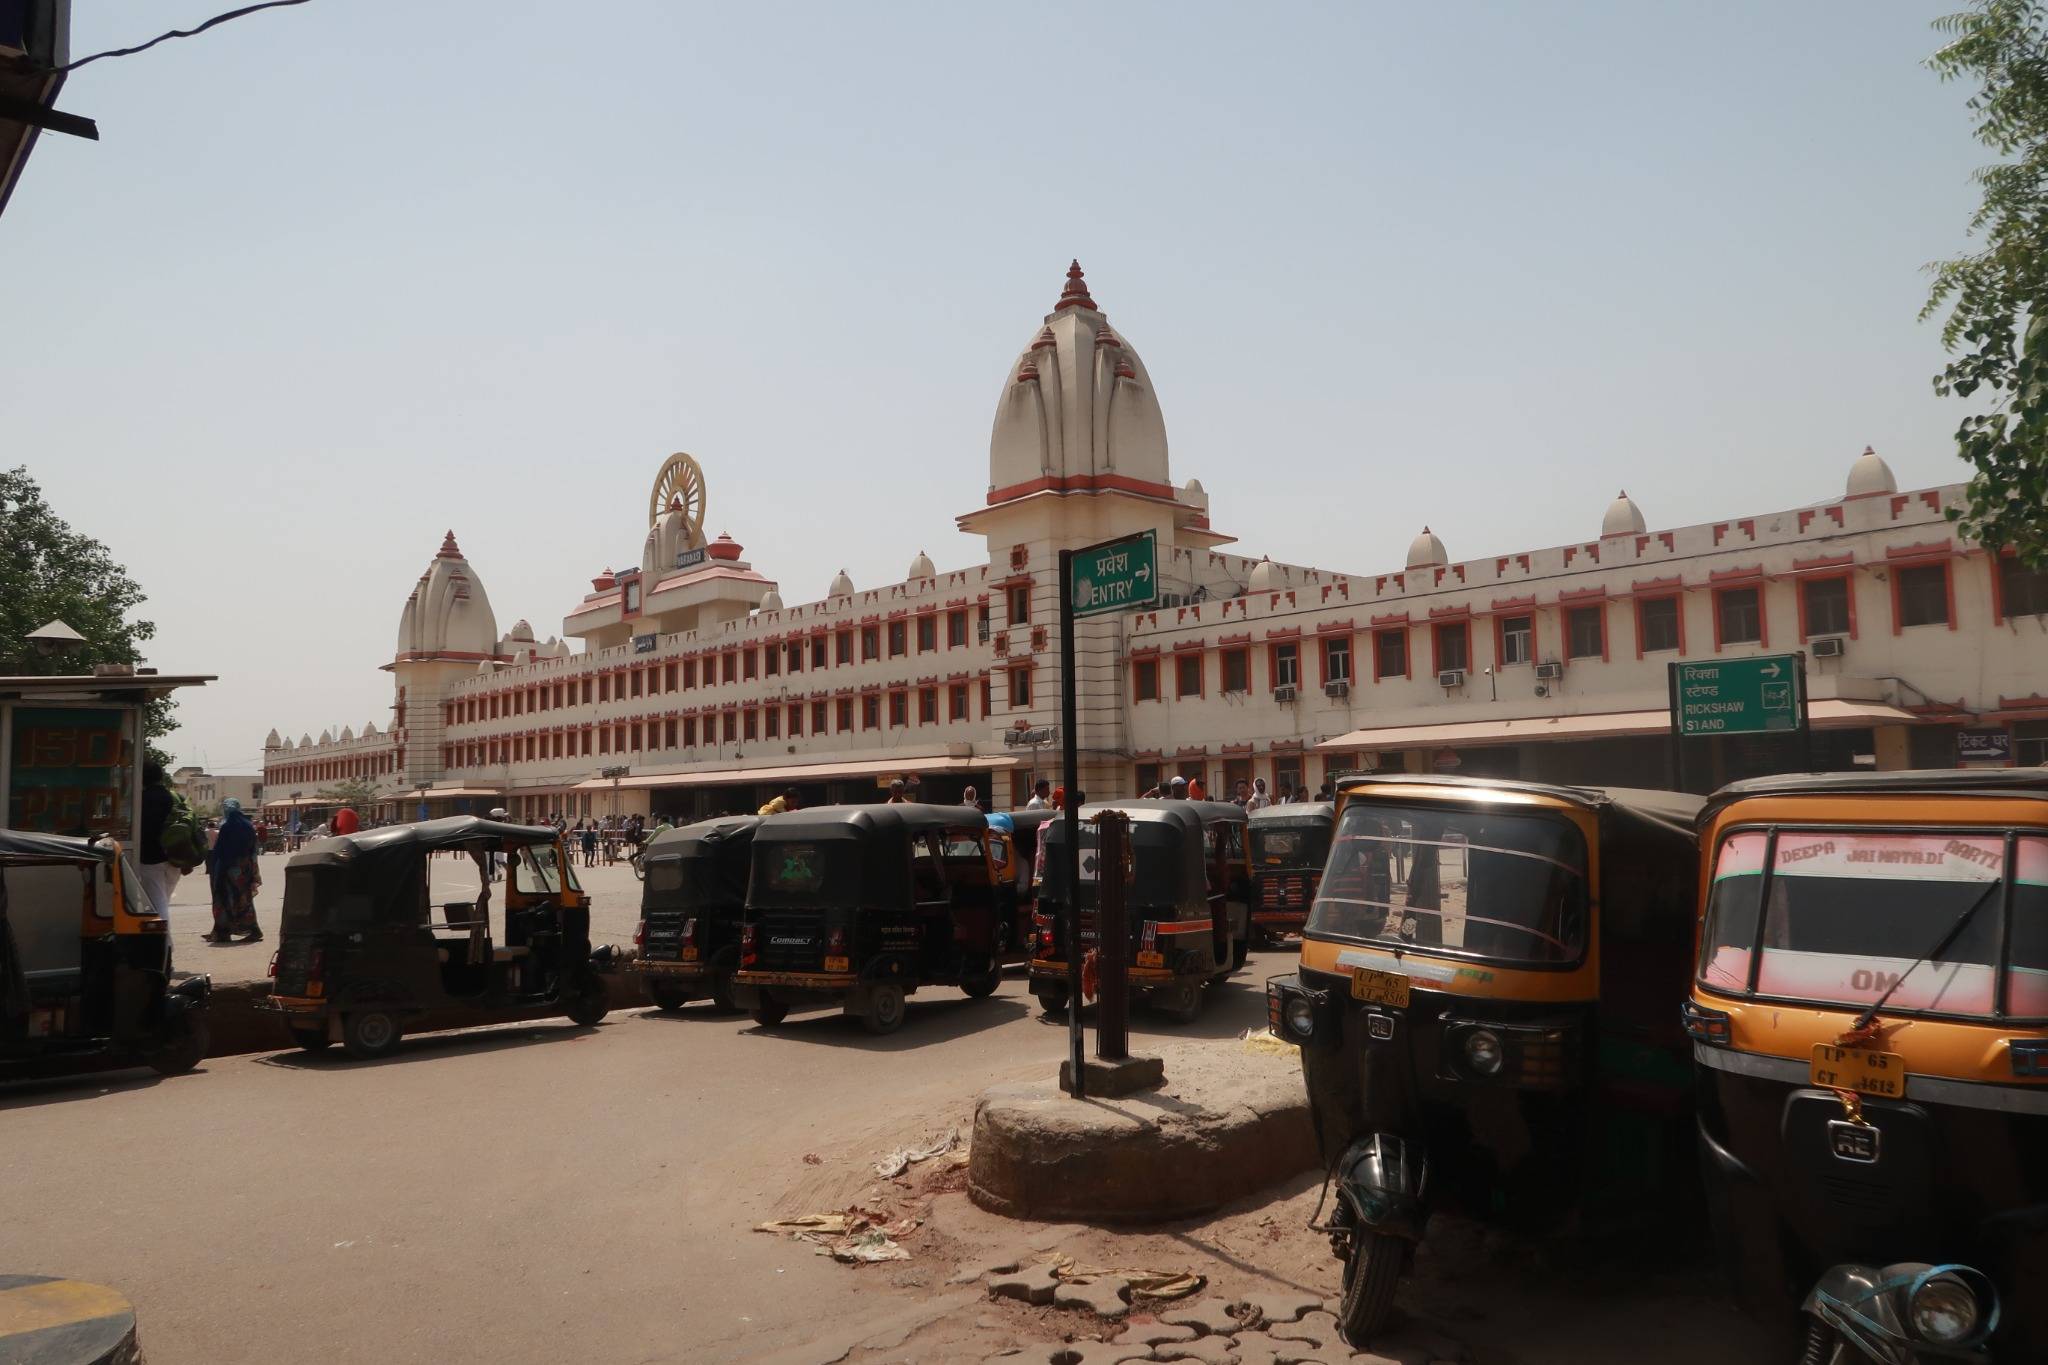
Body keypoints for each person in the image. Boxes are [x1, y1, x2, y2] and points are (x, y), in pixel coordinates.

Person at [204, 798, 263, 943]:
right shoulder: (248, 826)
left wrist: (214, 868)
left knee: (223, 899)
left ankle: (223, 931)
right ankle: (251, 930)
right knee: (244, 900)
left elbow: (220, 850)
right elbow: (253, 850)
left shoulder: (227, 827)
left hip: (227, 869)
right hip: (244, 870)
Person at [138, 760, 181, 921]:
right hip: (175, 858)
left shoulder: (141, 799)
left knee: (157, 904)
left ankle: (162, 936)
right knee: (163, 901)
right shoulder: (174, 797)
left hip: (151, 859)